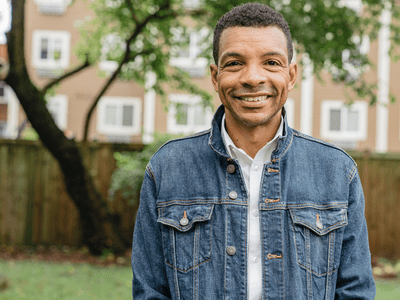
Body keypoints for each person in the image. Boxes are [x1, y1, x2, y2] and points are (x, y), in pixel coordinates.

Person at [131, 3, 376, 299]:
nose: (252, 78)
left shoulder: (337, 172)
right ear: (214, 75)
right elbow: (150, 292)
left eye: (271, 62)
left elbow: (355, 292)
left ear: (291, 74)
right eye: (235, 63)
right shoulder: (168, 167)